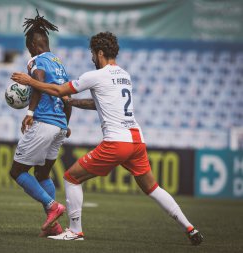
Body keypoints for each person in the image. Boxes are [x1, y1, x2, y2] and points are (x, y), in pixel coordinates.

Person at [11, 31, 204, 245]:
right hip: (136, 141)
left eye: (93, 54)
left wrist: (29, 80)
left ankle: (75, 231)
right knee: (153, 188)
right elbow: (98, 103)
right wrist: (73, 103)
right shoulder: (124, 75)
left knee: (71, 178)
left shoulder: (95, 75)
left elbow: (57, 89)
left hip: (116, 142)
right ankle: (190, 227)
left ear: (100, 53)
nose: (92, 58)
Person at [9, 10, 71, 237]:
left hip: (44, 122)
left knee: (17, 172)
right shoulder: (59, 63)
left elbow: (38, 83)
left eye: (28, 49)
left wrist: (30, 111)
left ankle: (53, 206)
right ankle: (54, 225)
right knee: (43, 175)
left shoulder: (36, 61)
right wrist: (66, 123)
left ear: (34, 46)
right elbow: (67, 99)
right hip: (59, 127)